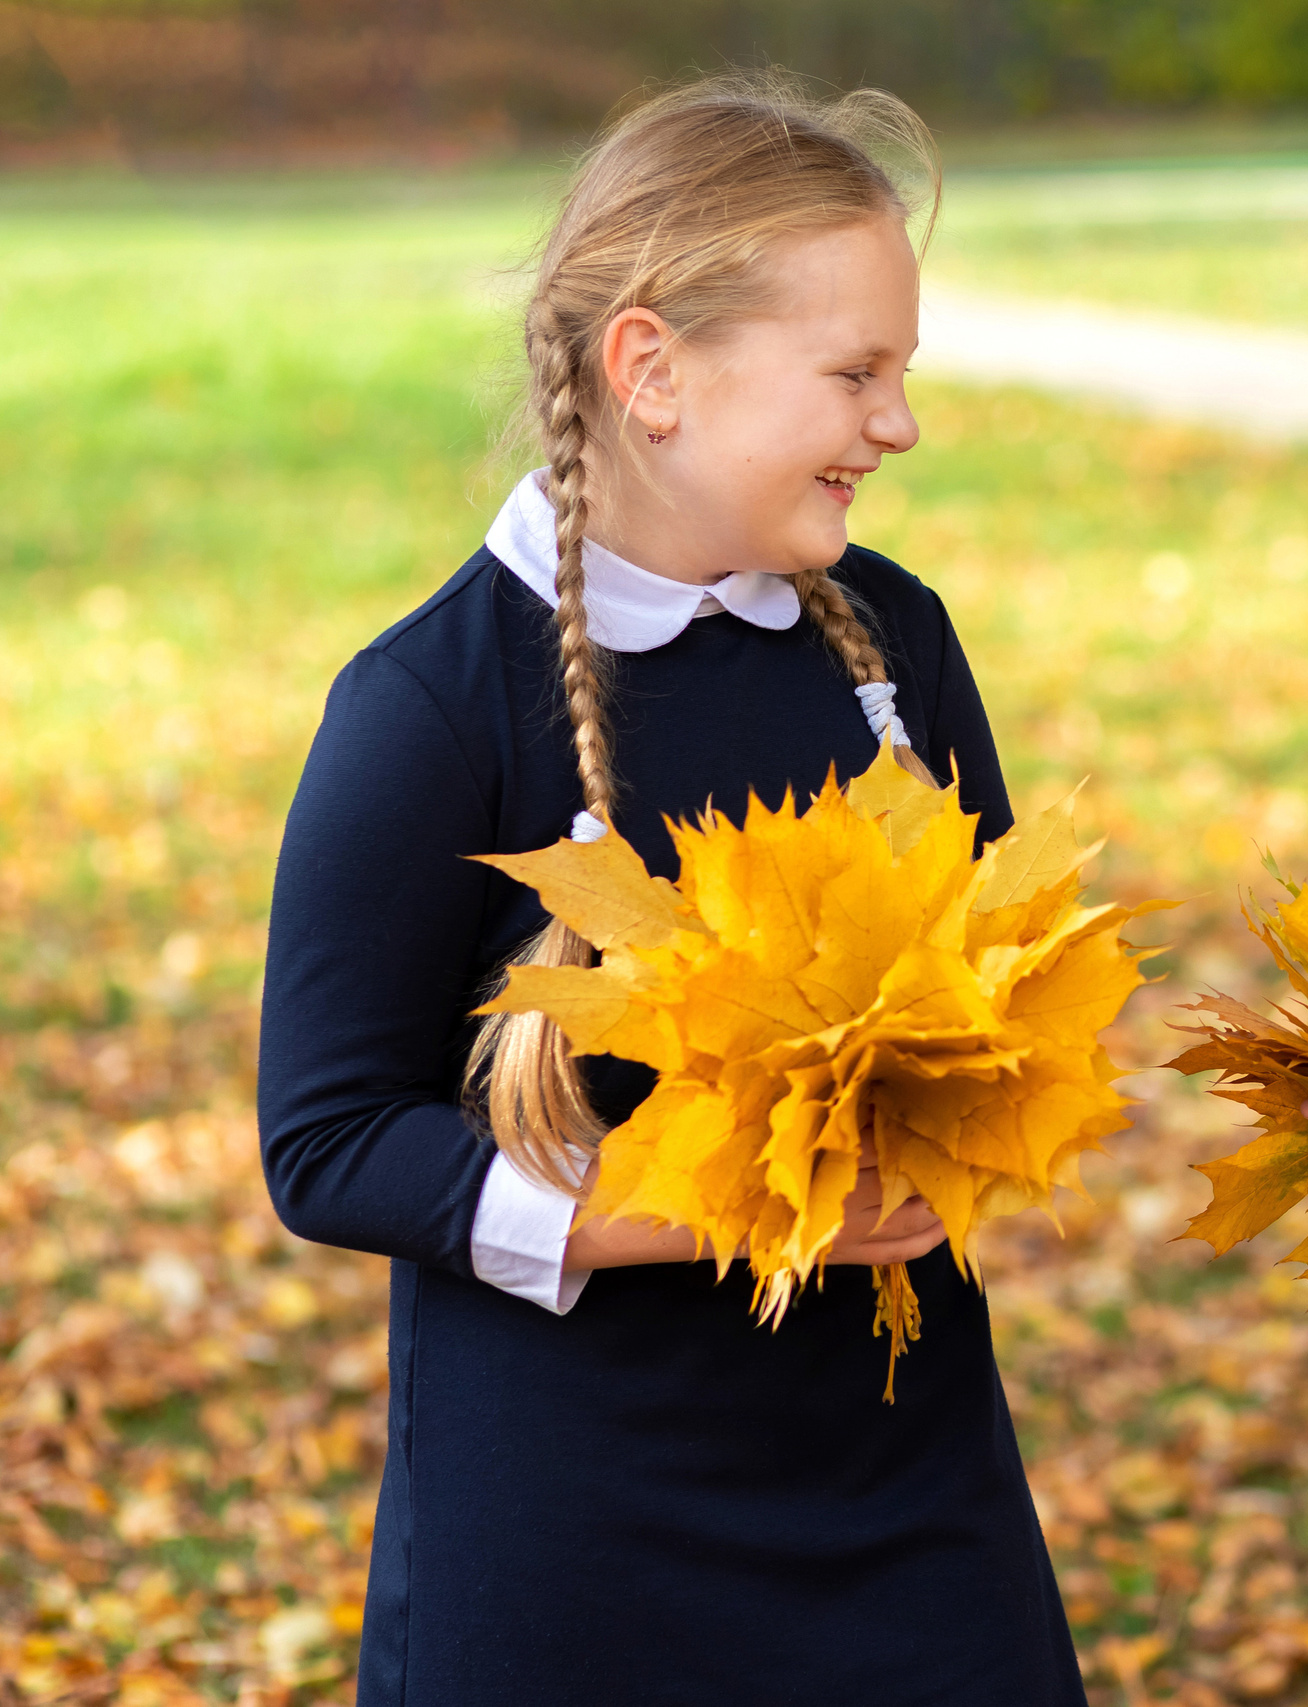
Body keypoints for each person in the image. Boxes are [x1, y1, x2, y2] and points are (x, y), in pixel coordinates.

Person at [257, 76, 1083, 1706]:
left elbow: (998, 996)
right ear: (652, 373)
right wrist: (735, 1207)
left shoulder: (894, 647)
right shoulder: (431, 706)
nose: (898, 424)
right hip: (570, 1539)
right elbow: (329, 1142)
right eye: (856, 374)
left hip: (910, 1500)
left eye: (899, 373)